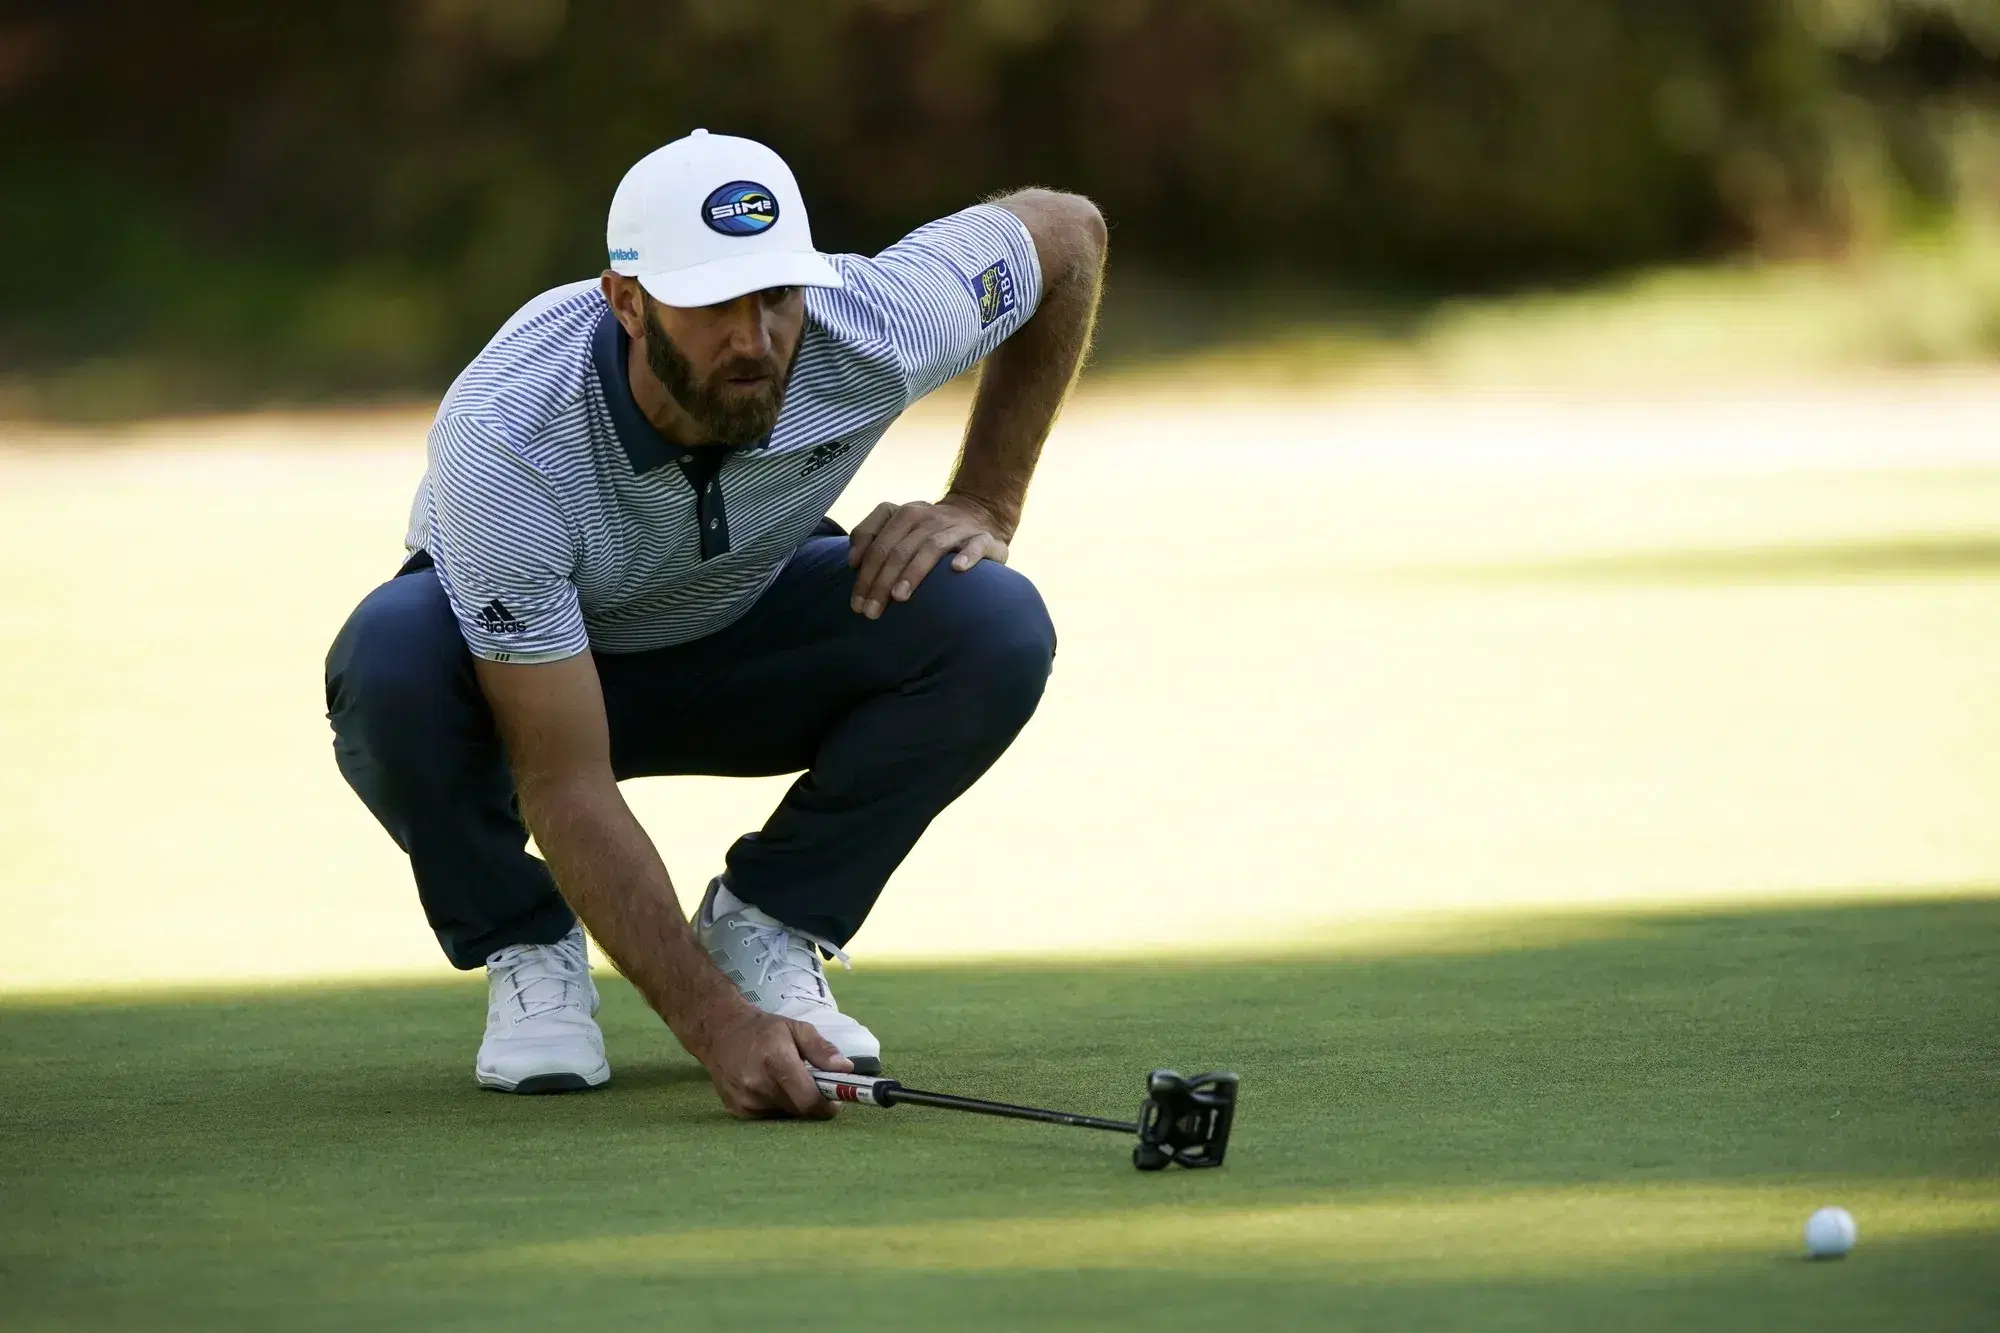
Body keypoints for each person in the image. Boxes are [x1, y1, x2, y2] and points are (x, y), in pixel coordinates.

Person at [323, 129, 1105, 1120]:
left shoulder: (871, 320)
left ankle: (769, 919)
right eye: (712, 306)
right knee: (388, 661)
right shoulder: (507, 438)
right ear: (626, 300)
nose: (754, 337)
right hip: (520, 687)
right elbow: (560, 778)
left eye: (775, 296)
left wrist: (985, 500)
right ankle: (526, 938)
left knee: (990, 619)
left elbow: (1065, 235)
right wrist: (717, 1025)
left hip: (743, 632)